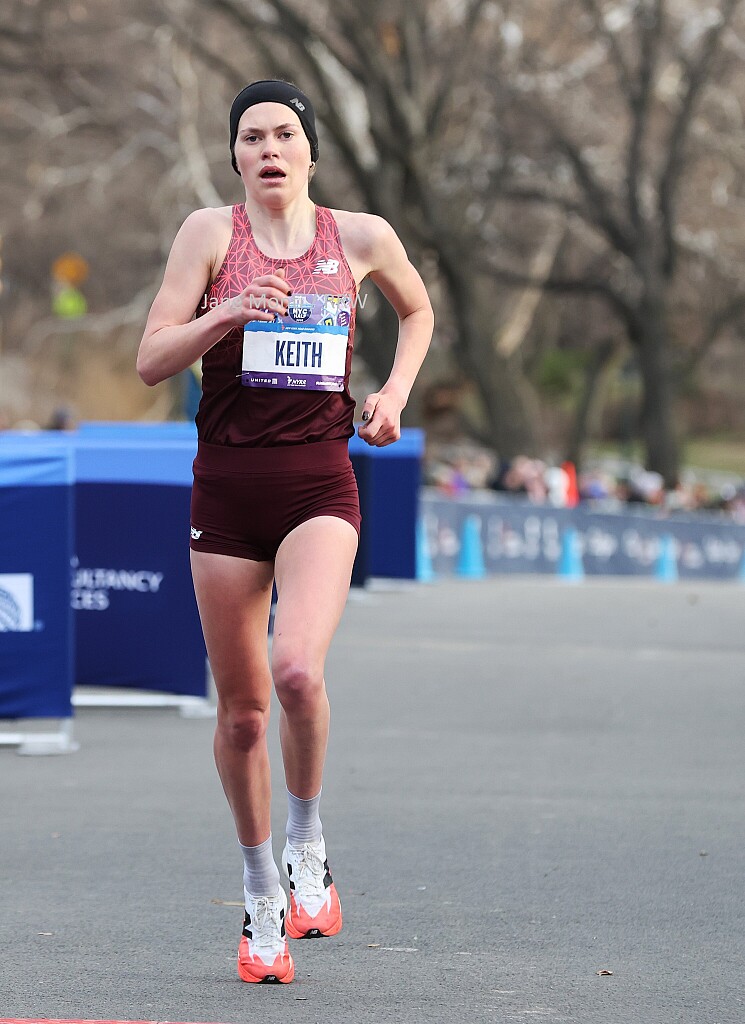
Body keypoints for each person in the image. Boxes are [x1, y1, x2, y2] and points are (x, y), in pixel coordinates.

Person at [136, 79, 433, 985]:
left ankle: (307, 842)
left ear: (310, 151)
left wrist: (392, 393)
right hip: (226, 492)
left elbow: (417, 310)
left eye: (284, 134)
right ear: (235, 156)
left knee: (297, 670)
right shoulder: (207, 235)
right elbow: (150, 359)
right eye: (252, 137)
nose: (269, 149)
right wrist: (225, 311)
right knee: (242, 714)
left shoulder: (360, 237)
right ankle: (260, 892)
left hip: (318, 484)